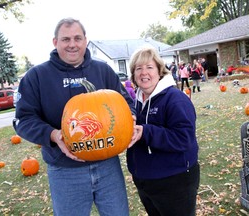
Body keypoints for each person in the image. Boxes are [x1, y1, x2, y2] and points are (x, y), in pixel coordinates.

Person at [13, 18, 136, 216]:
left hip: (108, 166)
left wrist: (131, 120)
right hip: (65, 171)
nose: (72, 44)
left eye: (77, 38)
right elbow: (23, 120)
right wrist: (53, 135)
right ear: (55, 42)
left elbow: (127, 103)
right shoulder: (37, 76)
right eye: (66, 39)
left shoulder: (102, 70)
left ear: (86, 40)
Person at [127, 47, 200, 216]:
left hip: (174, 181)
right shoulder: (135, 102)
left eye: (149, 67)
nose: (144, 73)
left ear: (159, 71)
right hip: (145, 180)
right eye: (138, 68)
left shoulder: (175, 99)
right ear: (133, 74)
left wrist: (146, 132)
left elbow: (184, 138)